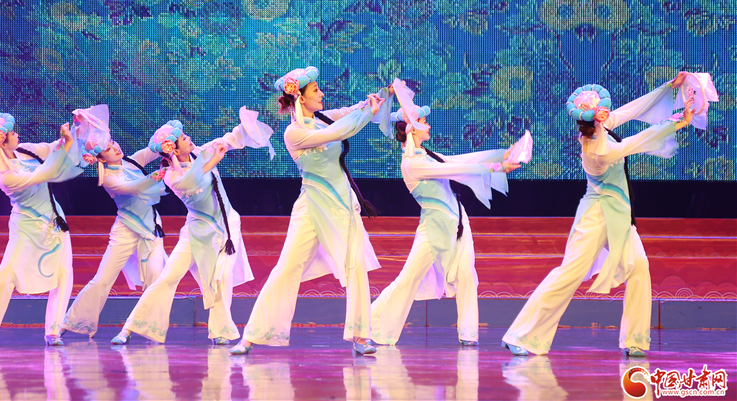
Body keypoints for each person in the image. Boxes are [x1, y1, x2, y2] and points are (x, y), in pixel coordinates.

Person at [502, 72, 711, 357]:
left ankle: (635, 339)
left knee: (639, 267)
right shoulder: (597, 150)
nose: (606, 113)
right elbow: (636, 141)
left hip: (619, 213)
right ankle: (521, 334)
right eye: (601, 112)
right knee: (570, 273)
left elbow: (631, 110)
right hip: (596, 215)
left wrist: (668, 89)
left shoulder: (602, 128)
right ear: (593, 119)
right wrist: (679, 120)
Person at [230, 66, 391, 356]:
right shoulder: (294, 133)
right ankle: (252, 335)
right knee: (287, 267)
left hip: (341, 204)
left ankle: (360, 336)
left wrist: (382, 95)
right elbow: (340, 131)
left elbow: (353, 110)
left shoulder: (324, 118)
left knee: (356, 266)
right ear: (300, 97)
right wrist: (368, 113)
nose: (322, 94)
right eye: (316, 90)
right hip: (311, 205)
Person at [371, 79, 525, 347]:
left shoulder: (427, 155)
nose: (429, 125)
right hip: (433, 230)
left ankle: (468, 335)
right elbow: (455, 170)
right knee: (408, 280)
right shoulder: (412, 164)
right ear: (413, 128)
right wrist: (497, 168)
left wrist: (501, 158)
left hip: (456, 223)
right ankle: (372, 327)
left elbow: (462, 161)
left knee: (467, 277)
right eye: (424, 122)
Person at [111, 107, 273, 345]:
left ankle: (220, 331)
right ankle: (131, 327)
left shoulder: (200, 153)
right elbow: (190, 182)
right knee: (168, 277)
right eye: (184, 138)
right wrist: (212, 161)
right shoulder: (171, 176)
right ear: (174, 150)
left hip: (225, 227)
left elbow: (228, 140)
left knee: (222, 277)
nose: (189, 139)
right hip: (195, 232)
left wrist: (245, 127)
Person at [0, 113, 82, 347]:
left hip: (53, 219)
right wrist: (67, 144)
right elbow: (46, 173)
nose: (17, 134)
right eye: (12, 133)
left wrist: (75, 131)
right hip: (27, 226)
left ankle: (53, 331)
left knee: (63, 273)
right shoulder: (5, 176)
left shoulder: (25, 150)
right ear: (1, 141)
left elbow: (51, 149)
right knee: (7, 275)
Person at [61, 105, 168, 337]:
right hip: (126, 229)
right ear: (100, 158)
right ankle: (72, 323)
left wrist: (167, 135)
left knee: (155, 276)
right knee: (102, 280)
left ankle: (141, 328)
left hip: (150, 227)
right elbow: (134, 188)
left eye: (113, 142)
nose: (116, 147)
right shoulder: (109, 179)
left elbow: (153, 149)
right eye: (109, 148)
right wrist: (155, 177)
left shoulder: (132, 162)